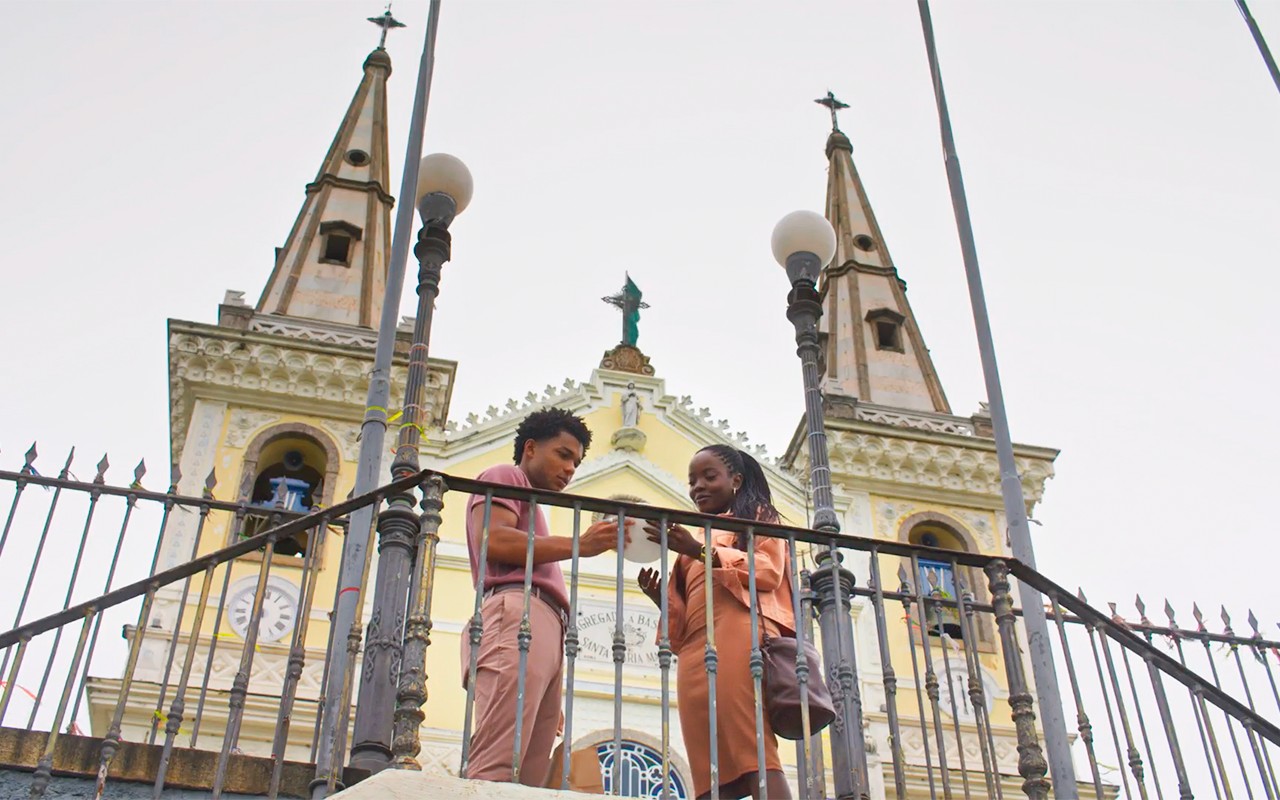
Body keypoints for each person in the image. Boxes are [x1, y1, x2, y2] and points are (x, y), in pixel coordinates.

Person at [462, 408, 622, 785]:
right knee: (499, 761)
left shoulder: (532, 503)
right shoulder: (505, 476)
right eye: (563, 455)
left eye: (577, 462)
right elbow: (495, 540)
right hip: (516, 612)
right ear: (530, 448)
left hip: (541, 627)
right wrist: (579, 545)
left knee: (528, 774)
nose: (570, 469)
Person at [637, 445, 795, 800]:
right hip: (693, 650)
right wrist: (661, 598)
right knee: (704, 760)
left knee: (751, 744)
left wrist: (696, 550)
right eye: (693, 481)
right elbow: (685, 614)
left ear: (736, 480)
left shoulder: (755, 516)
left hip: (736, 637)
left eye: (710, 477)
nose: (698, 488)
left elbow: (767, 571)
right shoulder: (696, 536)